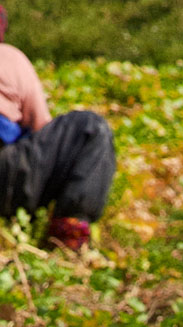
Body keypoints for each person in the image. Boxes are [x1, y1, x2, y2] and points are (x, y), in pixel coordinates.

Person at [0, 4, 116, 250]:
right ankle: (68, 234)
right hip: (7, 174)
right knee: (90, 129)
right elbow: (40, 124)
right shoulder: (9, 57)